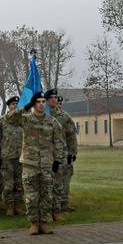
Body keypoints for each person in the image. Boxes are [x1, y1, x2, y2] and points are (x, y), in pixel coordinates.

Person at [3, 91, 65, 235]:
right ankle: (33, 224)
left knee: (46, 196)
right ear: (33, 104)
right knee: (31, 197)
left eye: (43, 102)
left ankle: (43, 223)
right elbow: (8, 119)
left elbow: (58, 142)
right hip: (30, 165)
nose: (41, 104)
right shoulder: (26, 120)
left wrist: (57, 160)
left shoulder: (52, 122)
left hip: (46, 164)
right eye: (38, 102)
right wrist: (26, 106)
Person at [46, 88, 77, 219]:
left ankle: (61, 204)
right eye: (51, 97)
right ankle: (46, 206)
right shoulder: (42, 116)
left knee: (61, 180)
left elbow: (71, 135)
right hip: (45, 154)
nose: (54, 99)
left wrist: (72, 152)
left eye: (55, 97)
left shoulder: (64, 117)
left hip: (61, 154)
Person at [0, 95, 24, 216]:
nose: (15, 106)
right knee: (8, 184)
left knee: (19, 184)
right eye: (13, 104)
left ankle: (18, 206)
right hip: (7, 157)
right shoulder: (1, 121)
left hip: (20, 157)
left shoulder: (22, 121)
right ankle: (9, 206)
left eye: (17, 104)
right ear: (8, 107)